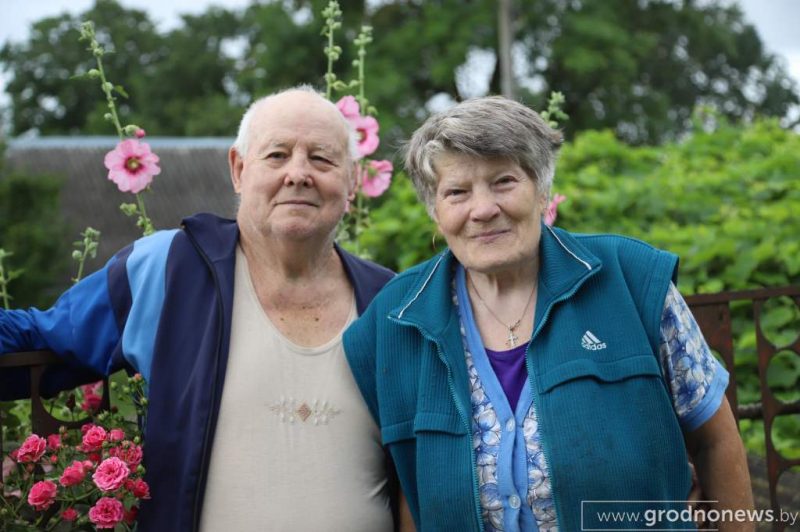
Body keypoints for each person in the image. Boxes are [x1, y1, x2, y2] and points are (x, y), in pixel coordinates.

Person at [344, 96, 754, 531]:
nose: (483, 209)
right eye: (457, 192)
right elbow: (408, 492)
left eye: (504, 181)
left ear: (541, 190)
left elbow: (715, 440)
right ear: (436, 211)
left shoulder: (631, 279)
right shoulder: (396, 321)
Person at [0, 87, 397, 531]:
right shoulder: (170, 270)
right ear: (239, 169)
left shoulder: (390, 301)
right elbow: (40, 339)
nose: (298, 174)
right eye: (277, 155)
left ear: (352, 180)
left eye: (322, 159)